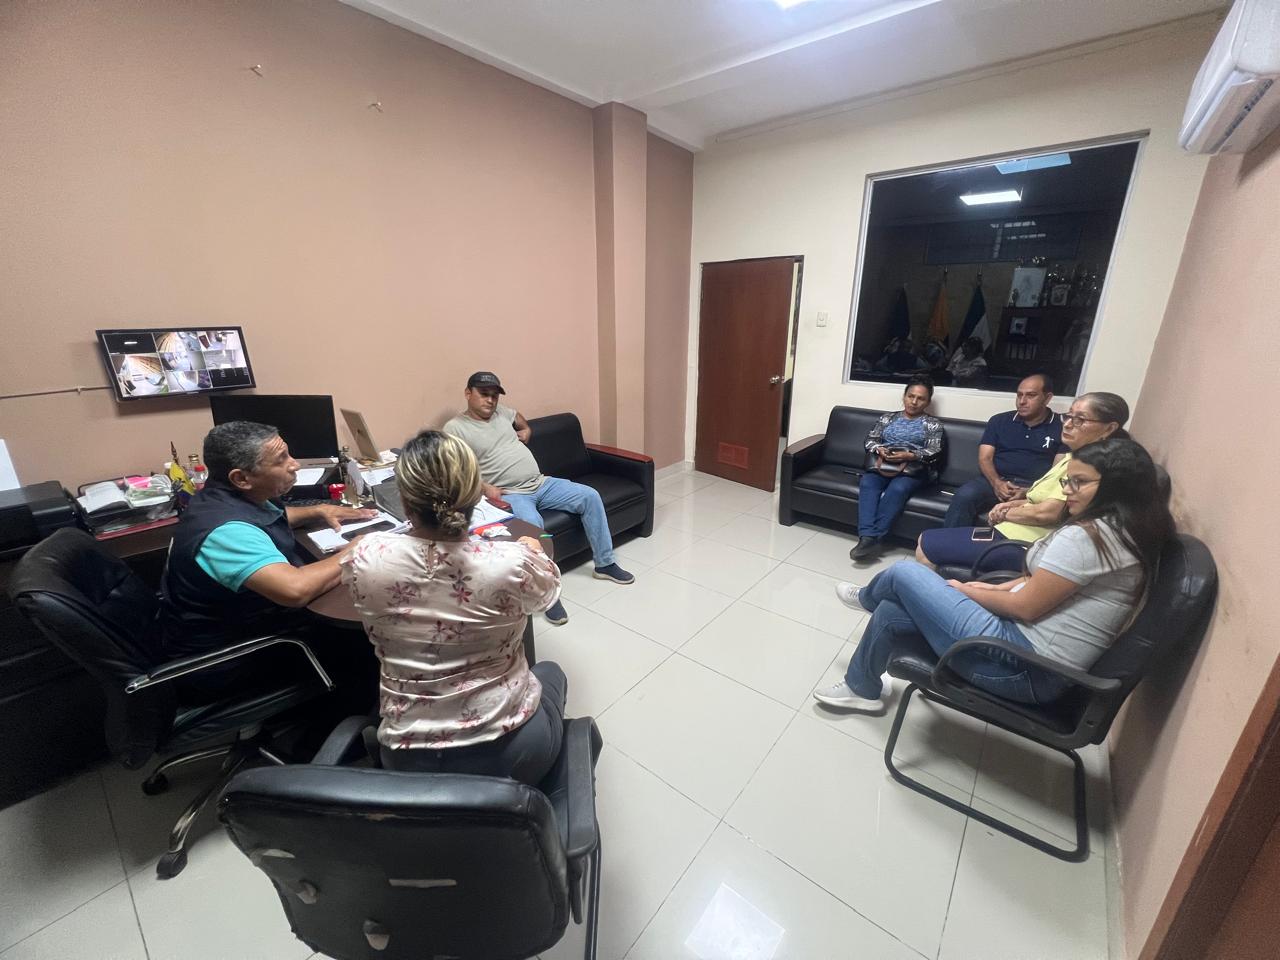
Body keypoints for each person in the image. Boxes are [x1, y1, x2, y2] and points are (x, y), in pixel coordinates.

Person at [814, 437, 1172, 711]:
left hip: (1021, 666)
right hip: (1026, 653)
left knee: (904, 572)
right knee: (893, 609)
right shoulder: (1119, 530)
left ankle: (866, 597)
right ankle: (862, 688)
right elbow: (1036, 584)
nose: (1067, 491)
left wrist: (963, 591)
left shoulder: (1091, 538)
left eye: (1078, 482)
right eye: (1067, 480)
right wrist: (982, 591)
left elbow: (1026, 607)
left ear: (1115, 486)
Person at [342, 430, 567, 785]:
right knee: (553, 673)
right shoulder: (511, 562)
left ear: (404, 499)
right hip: (512, 752)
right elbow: (545, 597)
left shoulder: (367, 556)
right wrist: (534, 552)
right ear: (476, 494)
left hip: (406, 761)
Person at [160, 421, 377, 695]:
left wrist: (318, 510)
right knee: (367, 639)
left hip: (245, 627)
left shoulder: (227, 498)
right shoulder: (225, 534)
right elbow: (295, 591)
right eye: (281, 459)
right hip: (228, 660)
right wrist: (354, 549)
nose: (294, 465)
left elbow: (264, 518)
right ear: (242, 478)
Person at [444, 371, 633, 626]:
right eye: (484, 394)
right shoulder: (455, 428)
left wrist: (526, 429)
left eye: (494, 396)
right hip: (512, 494)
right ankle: (546, 594)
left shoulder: (502, 413)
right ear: (468, 393)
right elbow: (456, 470)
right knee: (533, 528)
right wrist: (485, 487)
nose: (490, 400)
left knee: (590, 496)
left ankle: (605, 564)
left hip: (541, 483)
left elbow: (518, 418)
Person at [916, 392, 1130, 573]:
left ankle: (936, 598)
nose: (1067, 424)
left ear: (1109, 428)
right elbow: (1042, 498)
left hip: (1028, 543)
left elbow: (1049, 513)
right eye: (1068, 416)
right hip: (1014, 530)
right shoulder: (1072, 456)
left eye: (1080, 419)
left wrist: (1004, 513)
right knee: (935, 533)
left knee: (926, 544)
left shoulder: (1089, 467)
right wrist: (1010, 504)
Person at [943, 374, 1065, 527]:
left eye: (1031, 395)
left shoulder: (1062, 427)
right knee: (964, 496)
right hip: (995, 480)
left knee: (1030, 513)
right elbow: (985, 458)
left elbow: (1057, 471)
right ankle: (949, 541)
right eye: (1019, 395)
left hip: (1034, 486)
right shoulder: (999, 421)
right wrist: (997, 483)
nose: (1022, 401)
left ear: (1047, 398)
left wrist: (1029, 491)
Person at [851, 375, 945, 561]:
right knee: (868, 482)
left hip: (913, 469)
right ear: (904, 396)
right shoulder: (888, 418)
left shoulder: (933, 424)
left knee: (898, 488)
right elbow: (870, 440)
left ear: (928, 402)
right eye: (911, 396)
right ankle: (867, 537)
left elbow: (935, 450)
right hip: (883, 464)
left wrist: (912, 455)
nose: (914, 402)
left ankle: (872, 538)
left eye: (921, 398)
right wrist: (879, 449)